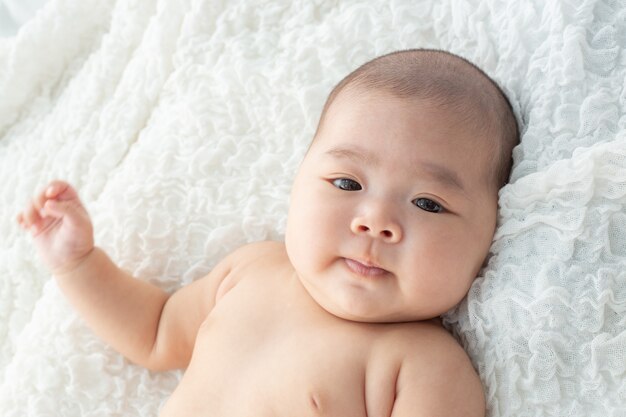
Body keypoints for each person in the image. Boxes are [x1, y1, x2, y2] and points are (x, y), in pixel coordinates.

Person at [16, 48, 519, 416]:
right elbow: (155, 332)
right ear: (297, 182)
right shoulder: (252, 271)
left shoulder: (424, 368)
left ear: (490, 236)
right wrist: (79, 265)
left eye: (428, 203)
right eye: (347, 182)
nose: (375, 221)